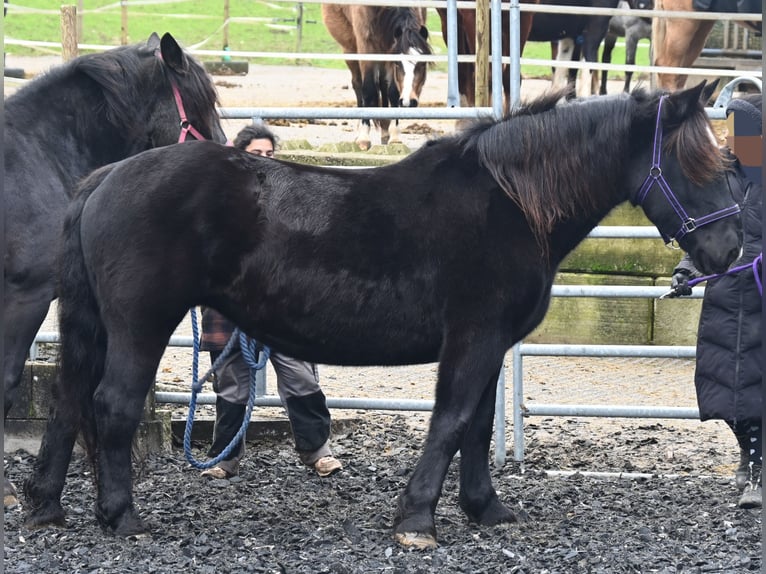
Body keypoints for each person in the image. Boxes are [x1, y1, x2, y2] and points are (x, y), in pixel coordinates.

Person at [199, 123, 342, 479]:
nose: (264, 161)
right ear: (239, 154)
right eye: (256, 154)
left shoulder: (293, 201)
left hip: (282, 305)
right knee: (232, 382)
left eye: (269, 154)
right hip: (229, 305)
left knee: (300, 376)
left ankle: (317, 451)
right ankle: (225, 457)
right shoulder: (214, 202)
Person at [668, 93, 762, 509]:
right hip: (725, 299)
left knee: (757, 389)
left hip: (760, 300)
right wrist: (688, 271)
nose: (727, 136)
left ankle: (756, 473)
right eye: (725, 128)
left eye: (736, 128)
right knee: (723, 388)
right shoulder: (719, 179)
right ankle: (747, 451)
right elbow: (708, 234)